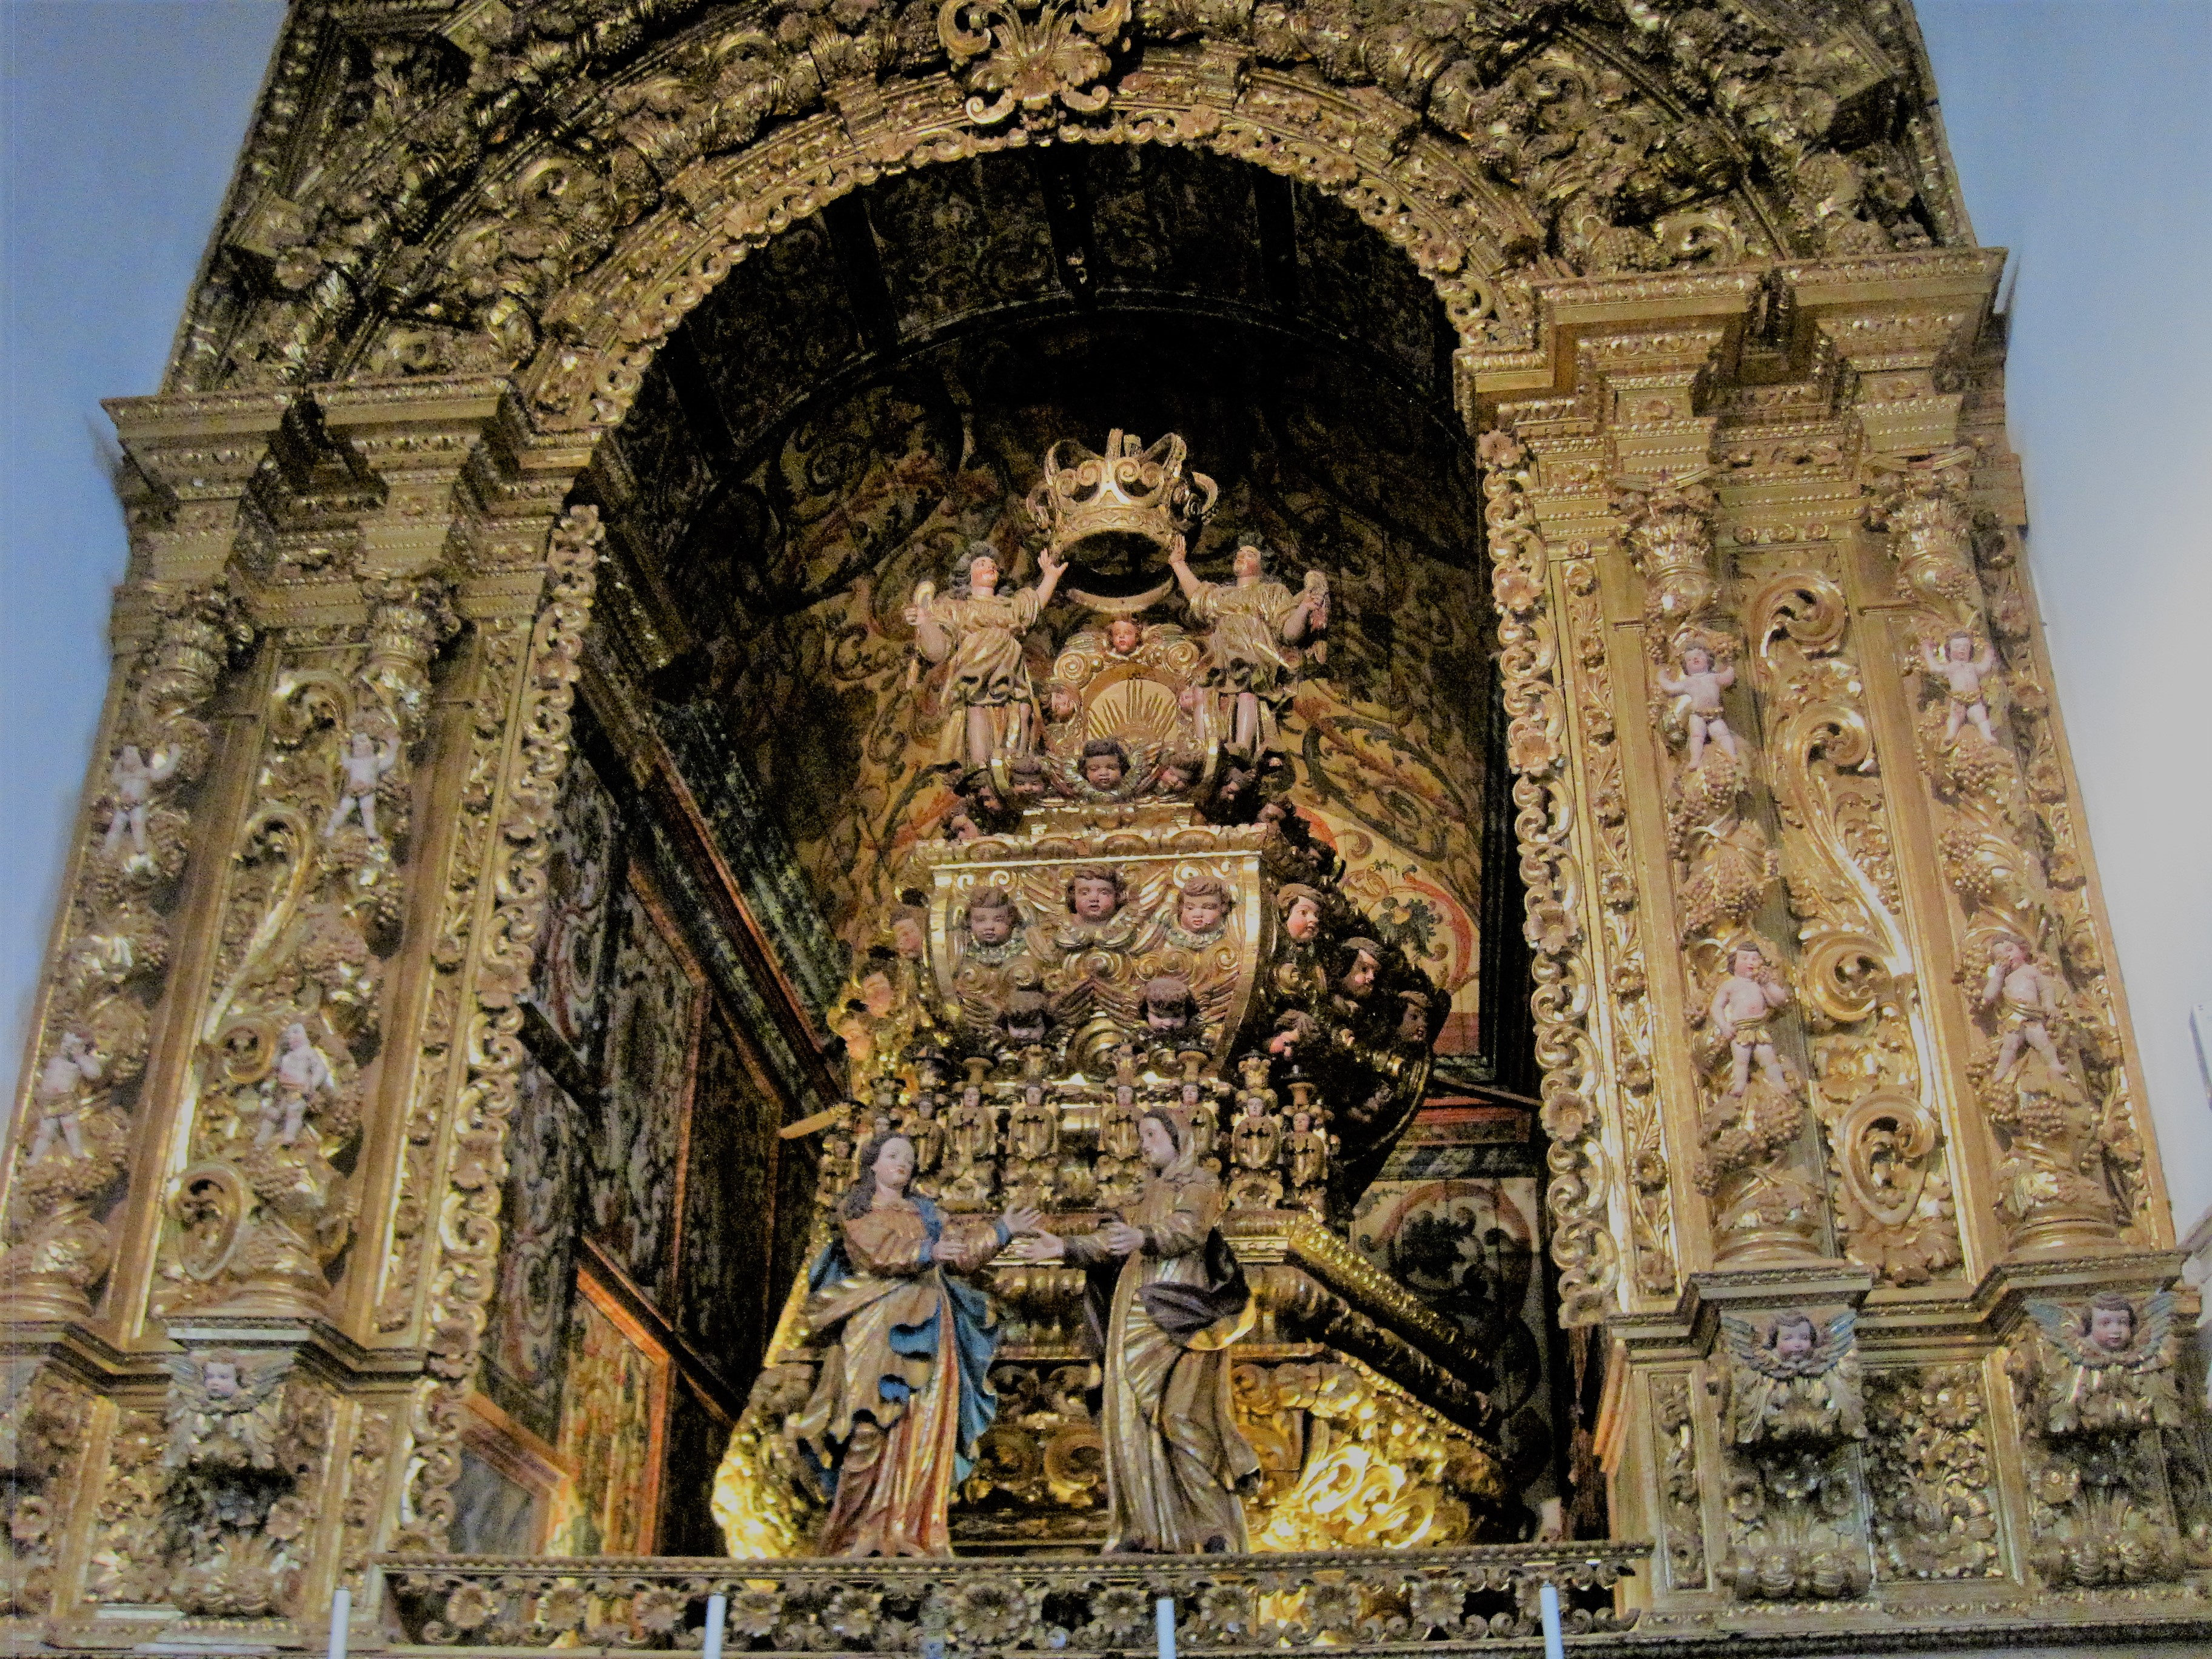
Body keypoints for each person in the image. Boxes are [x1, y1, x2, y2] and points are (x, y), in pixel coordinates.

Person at [1012, 1109, 1261, 1552]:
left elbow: (1189, 1228)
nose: (1143, 1145)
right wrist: (1064, 1246)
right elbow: (1113, 1244)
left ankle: (1212, 1529)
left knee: (1183, 1417)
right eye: (1141, 1136)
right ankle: (1144, 1529)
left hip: (1181, 1313)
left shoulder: (1200, 1184)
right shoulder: (1143, 1195)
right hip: (1135, 1312)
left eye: (1151, 1134)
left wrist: (1144, 1238)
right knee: (1128, 1418)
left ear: (1178, 1138)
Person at [791, 1132, 1039, 1556]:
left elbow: (961, 1255)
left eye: (909, 1158)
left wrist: (1003, 1229)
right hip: (878, 1319)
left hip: (933, 1319)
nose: (902, 1164)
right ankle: (854, 1532)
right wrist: (928, 1250)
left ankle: (912, 1528)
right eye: (893, 1156)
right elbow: (878, 1252)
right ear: (872, 1164)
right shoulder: (858, 1208)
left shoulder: (928, 1212)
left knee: (926, 1421)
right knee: (869, 1419)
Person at [907, 545, 1068, 771]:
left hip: (1012, 673)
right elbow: (938, 651)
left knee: (1021, 711)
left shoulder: (1010, 605)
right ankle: (981, 769)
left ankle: (1016, 768)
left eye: (993, 565)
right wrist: (925, 621)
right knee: (978, 708)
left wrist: (1050, 576)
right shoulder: (954, 607)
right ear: (967, 575)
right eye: (981, 564)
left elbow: (1035, 604)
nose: (990, 567)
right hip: (976, 670)